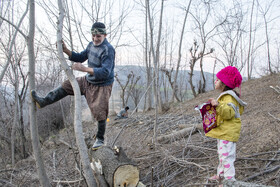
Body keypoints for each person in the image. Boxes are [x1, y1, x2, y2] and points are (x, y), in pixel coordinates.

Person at [31, 22, 115, 150]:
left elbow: (105, 72)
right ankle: (43, 101)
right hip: (89, 80)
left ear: (105, 35)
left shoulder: (108, 50)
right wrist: (66, 50)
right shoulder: (91, 45)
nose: (95, 38)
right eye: (93, 35)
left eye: (98, 36)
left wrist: (84, 69)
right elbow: (81, 57)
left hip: (102, 85)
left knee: (100, 110)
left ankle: (100, 139)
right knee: (67, 85)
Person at [207, 66, 247, 182]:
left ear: (224, 83)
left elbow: (229, 113)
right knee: (222, 156)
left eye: (218, 79)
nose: (215, 81)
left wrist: (217, 105)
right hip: (224, 132)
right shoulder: (226, 96)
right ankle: (221, 177)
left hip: (228, 133)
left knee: (227, 157)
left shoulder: (229, 97)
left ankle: (229, 181)